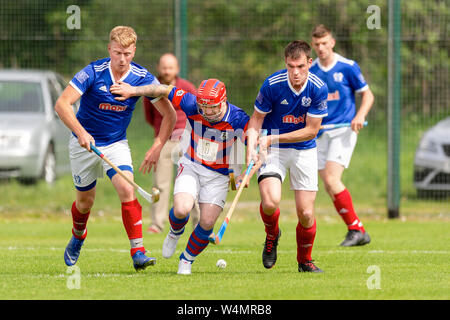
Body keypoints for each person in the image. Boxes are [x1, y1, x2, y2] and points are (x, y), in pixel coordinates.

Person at [54, 26, 176, 271]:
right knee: (85, 202)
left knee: (126, 189)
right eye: (118, 52)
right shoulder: (93, 72)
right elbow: (62, 104)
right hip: (83, 144)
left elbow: (169, 115)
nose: (122, 59)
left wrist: (157, 145)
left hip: (116, 143)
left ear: (134, 51)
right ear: (109, 49)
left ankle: (138, 252)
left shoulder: (141, 77)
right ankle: (79, 235)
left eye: (128, 54)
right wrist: (81, 133)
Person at [110, 78, 250, 275]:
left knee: (207, 223)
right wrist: (133, 90)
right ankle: (175, 231)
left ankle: (187, 259)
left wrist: (246, 172)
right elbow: (161, 89)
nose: (207, 113)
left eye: (212, 108)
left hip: (219, 175)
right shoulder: (192, 103)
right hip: (192, 164)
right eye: (203, 107)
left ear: (223, 102)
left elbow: (255, 140)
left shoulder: (237, 118)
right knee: (182, 209)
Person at [246, 40, 328, 273]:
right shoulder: (272, 84)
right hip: (274, 152)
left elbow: (312, 130)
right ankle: (272, 235)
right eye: (291, 66)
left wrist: (271, 139)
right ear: (286, 63)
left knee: (306, 213)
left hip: (303, 149)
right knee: (270, 203)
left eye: (300, 66)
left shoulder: (318, 87)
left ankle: (305, 261)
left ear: (309, 63)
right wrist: (252, 147)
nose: (295, 72)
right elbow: (257, 119)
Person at [310, 24, 374, 247]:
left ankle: (357, 229)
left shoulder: (348, 67)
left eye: (324, 43)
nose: (321, 48)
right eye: (316, 44)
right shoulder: (311, 71)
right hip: (320, 133)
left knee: (331, 179)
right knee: (328, 185)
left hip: (343, 130)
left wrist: (360, 114)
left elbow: (368, 95)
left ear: (332, 42)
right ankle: (355, 229)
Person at [143, 53, 200, 234]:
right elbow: (149, 117)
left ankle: (200, 224)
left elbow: (198, 112)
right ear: (159, 68)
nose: (167, 71)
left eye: (171, 67)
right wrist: (161, 137)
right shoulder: (152, 88)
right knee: (160, 184)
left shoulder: (188, 87)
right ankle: (157, 223)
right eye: (164, 67)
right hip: (163, 141)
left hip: (187, 141)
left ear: (177, 69)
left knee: (194, 181)